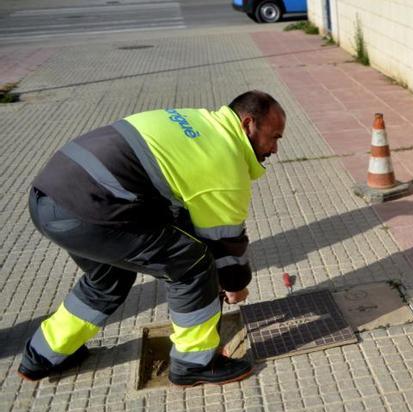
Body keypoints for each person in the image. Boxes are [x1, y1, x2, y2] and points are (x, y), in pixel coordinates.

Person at [18, 90, 286, 386]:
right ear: (248, 124)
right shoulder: (227, 165)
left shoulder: (196, 120)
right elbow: (224, 247)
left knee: (109, 277)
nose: (275, 148)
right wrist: (234, 284)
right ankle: (194, 362)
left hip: (50, 196)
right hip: (88, 209)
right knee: (192, 263)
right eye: (274, 137)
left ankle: (43, 355)